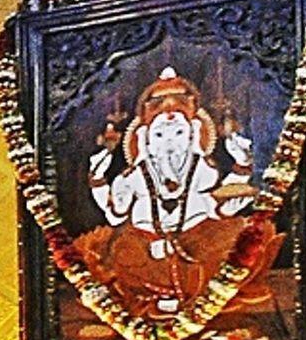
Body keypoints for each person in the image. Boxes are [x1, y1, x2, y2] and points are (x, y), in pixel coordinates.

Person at [77, 69, 267, 322]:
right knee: (123, 253)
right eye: (159, 135)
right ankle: (164, 294)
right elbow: (115, 214)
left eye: (178, 133)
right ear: (145, 139)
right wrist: (98, 178)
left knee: (234, 239)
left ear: (193, 134)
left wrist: (241, 167)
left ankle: (195, 294)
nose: (169, 142)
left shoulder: (201, 168)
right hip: (145, 246)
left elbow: (215, 204)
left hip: (194, 241)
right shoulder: (135, 175)